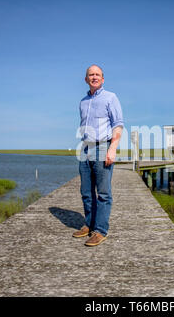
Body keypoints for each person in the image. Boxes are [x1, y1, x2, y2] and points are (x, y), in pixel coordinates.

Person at [74, 64, 124, 247]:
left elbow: (118, 124)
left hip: (103, 147)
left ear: (102, 79)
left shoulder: (111, 97)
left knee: (103, 193)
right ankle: (89, 224)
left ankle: (100, 230)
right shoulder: (83, 102)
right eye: (90, 75)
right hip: (85, 149)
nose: (94, 77)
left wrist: (112, 149)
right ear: (86, 79)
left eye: (97, 75)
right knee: (86, 191)